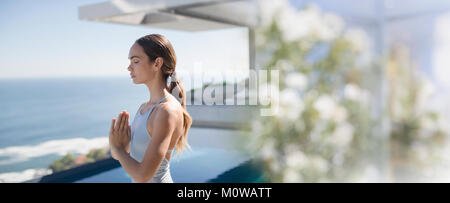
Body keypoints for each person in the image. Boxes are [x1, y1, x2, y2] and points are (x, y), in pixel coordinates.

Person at [108, 34, 192, 183]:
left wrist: (118, 150)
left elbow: (143, 176)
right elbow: (128, 155)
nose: (129, 67)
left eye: (135, 61)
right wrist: (120, 145)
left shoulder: (167, 111)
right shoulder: (144, 108)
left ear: (157, 63)